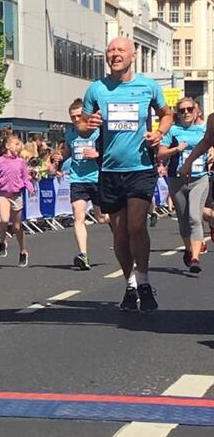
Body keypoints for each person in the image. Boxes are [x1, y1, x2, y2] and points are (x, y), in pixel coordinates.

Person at [77, 36, 173, 312]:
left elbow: (166, 114)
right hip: (109, 170)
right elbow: (82, 125)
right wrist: (88, 124)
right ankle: (130, 285)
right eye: (110, 50)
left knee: (136, 226)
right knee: (119, 233)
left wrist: (159, 133)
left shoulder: (148, 86)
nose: (114, 54)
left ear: (132, 56)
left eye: (120, 50)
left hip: (140, 168)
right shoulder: (97, 89)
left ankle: (144, 281)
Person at [159, 97, 208, 273]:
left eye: (189, 109)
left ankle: (195, 258)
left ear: (197, 111)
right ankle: (189, 250)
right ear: (177, 114)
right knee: (183, 220)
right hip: (177, 179)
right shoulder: (173, 131)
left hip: (199, 179)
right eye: (182, 110)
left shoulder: (204, 129)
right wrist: (176, 149)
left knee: (195, 216)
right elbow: (161, 154)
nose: (186, 113)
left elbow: (211, 144)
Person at [61, 98, 103, 270]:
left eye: (79, 116)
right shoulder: (70, 134)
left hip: (98, 179)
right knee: (78, 217)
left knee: (102, 218)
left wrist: (97, 154)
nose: (76, 120)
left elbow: (110, 153)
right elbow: (67, 152)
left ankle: (118, 228)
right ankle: (83, 255)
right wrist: (58, 158)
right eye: (73, 117)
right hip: (78, 180)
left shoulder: (98, 132)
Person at [0, 134, 34, 267]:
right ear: (7, 146)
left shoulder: (21, 162)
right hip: (2, 194)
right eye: (16, 144)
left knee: (17, 227)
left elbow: (25, 178)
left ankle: (23, 250)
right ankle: (3, 241)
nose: (19, 146)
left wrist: (30, 187)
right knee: (4, 219)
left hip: (16, 195)